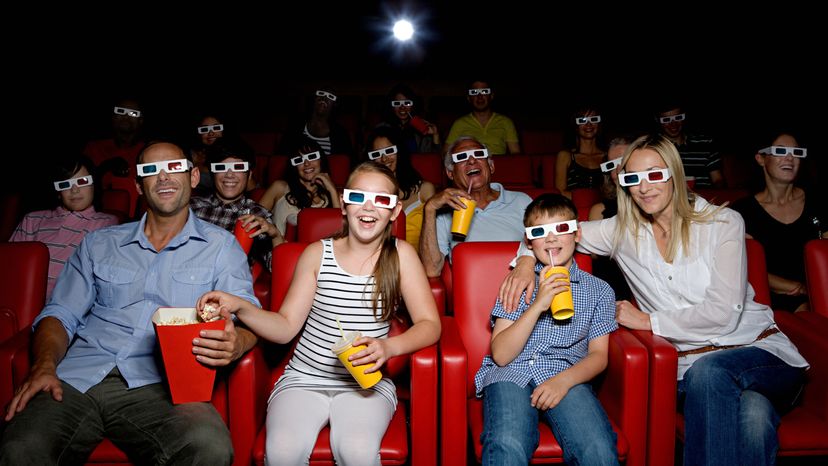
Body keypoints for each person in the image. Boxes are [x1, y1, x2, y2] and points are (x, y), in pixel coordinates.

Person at [501, 134, 808, 466]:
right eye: (633, 178)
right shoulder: (621, 231)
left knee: (711, 373)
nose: (644, 187)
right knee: (754, 418)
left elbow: (723, 314)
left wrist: (649, 321)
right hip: (688, 367)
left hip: (757, 350)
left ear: (674, 173)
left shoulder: (723, 223)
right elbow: (550, 236)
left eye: (655, 174)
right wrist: (527, 261)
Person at [0, 141, 260, 465]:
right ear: (139, 185)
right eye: (150, 171)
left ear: (193, 177)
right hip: (78, 377)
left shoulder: (221, 247)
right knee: (21, 447)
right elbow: (60, 313)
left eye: (174, 168)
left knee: (209, 446)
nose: (163, 178)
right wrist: (43, 366)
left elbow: (250, 317)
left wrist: (238, 343)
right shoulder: (98, 243)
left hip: (163, 387)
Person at [196, 161, 441, 465]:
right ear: (343, 204)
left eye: (381, 200)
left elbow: (431, 325)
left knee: (356, 450)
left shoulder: (402, 256)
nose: (368, 207)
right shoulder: (316, 254)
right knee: (282, 452)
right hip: (304, 378)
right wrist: (241, 306)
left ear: (394, 210)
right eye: (357, 197)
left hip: (365, 384)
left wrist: (390, 347)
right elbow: (285, 326)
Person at [476, 193, 619, 465]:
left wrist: (563, 381)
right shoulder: (518, 283)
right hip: (511, 373)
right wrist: (538, 304)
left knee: (598, 447)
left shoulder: (599, 290)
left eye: (561, 229)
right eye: (540, 232)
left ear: (577, 234)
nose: (551, 239)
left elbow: (599, 356)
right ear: (529, 241)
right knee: (508, 442)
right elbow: (502, 355)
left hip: (567, 375)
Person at [731, 132, 827, 313]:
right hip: (768, 300)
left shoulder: (818, 201)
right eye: (780, 151)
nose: (790, 157)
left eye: (796, 152)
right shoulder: (743, 211)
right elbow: (741, 266)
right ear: (760, 159)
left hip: (821, 293)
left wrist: (815, 289)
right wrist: (796, 287)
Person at [419, 136, 532, 277]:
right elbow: (431, 270)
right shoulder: (443, 214)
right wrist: (429, 209)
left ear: (491, 167)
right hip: (475, 292)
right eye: (461, 157)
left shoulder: (522, 201)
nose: (472, 160)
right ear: (450, 173)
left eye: (479, 154)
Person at [9, 155, 118, 300]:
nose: (74, 190)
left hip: (68, 305)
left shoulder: (106, 223)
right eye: (65, 184)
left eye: (82, 181)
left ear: (94, 185)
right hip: (21, 299)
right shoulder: (32, 219)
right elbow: (10, 266)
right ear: (58, 192)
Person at [190, 138, 283, 271]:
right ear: (212, 174)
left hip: (229, 286)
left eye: (238, 167)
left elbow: (276, 268)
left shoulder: (257, 215)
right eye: (221, 167)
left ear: (249, 175)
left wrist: (276, 235)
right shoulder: (192, 208)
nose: (229, 175)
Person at [365, 125, 436, 251]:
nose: (384, 158)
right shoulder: (368, 193)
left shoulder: (425, 189)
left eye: (389, 151)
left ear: (399, 151)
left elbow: (436, 236)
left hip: (419, 261)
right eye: (377, 154)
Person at [83, 97, 147, 219]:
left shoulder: (150, 151)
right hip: (96, 220)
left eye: (133, 113)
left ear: (140, 121)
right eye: (120, 111)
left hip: (141, 222)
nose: (126, 117)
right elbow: (78, 186)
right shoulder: (93, 148)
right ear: (113, 117)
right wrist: (104, 167)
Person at [587, 137, 633, 301]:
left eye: (624, 161)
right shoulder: (600, 210)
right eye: (611, 165)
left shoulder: (659, 208)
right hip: (615, 292)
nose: (617, 171)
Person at [271, 139, 340, 237]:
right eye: (299, 160)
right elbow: (254, 215)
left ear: (321, 160)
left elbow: (341, 232)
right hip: (283, 250)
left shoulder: (332, 196)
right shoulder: (280, 187)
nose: (306, 163)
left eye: (312, 157)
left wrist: (332, 191)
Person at [657, 103, 724, 188]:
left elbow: (718, 180)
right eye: (666, 120)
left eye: (678, 118)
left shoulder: (705, 143)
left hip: (704, 198)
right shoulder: (655, 148)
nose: (673, 124)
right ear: (658, 121)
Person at [445, 79, 521, 155]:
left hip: (499, 165)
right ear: (469, 98)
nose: (480, 96)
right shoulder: (459, 123)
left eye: (484, 91)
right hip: (471, 164)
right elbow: (446, 153)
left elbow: (516, 154)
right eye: (474, 92)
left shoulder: (506, 122)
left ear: (491, 96)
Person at [279, 88, 354, 159]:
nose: (324, 98)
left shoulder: (341, 134)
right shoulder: (295, 127)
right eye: (321, 93)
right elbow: (282, 156)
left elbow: (345, 162)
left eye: (330, 96)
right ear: (314, 98)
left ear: (335, 104)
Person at [555, 106, 606, 198]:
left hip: (603, 209)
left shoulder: (607, 156)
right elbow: (560, 192)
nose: (589, 124)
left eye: (593, 119)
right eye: (582, 120)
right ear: (575, 126)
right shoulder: (565, 156)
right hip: (574, 208)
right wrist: (588, 198)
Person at [376, 83, 440, 154]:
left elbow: (433, 158)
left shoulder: (421, 128)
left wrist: (435, 135)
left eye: (407, 103)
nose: (402, 107)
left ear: (413, 105)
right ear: (391, 107)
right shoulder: (382, 128)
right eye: (397, 103)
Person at [189, 112, 226, 195]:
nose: (211, 133)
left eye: (216, 128)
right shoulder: (191, 155)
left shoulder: (234, 154)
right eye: (204, 129)